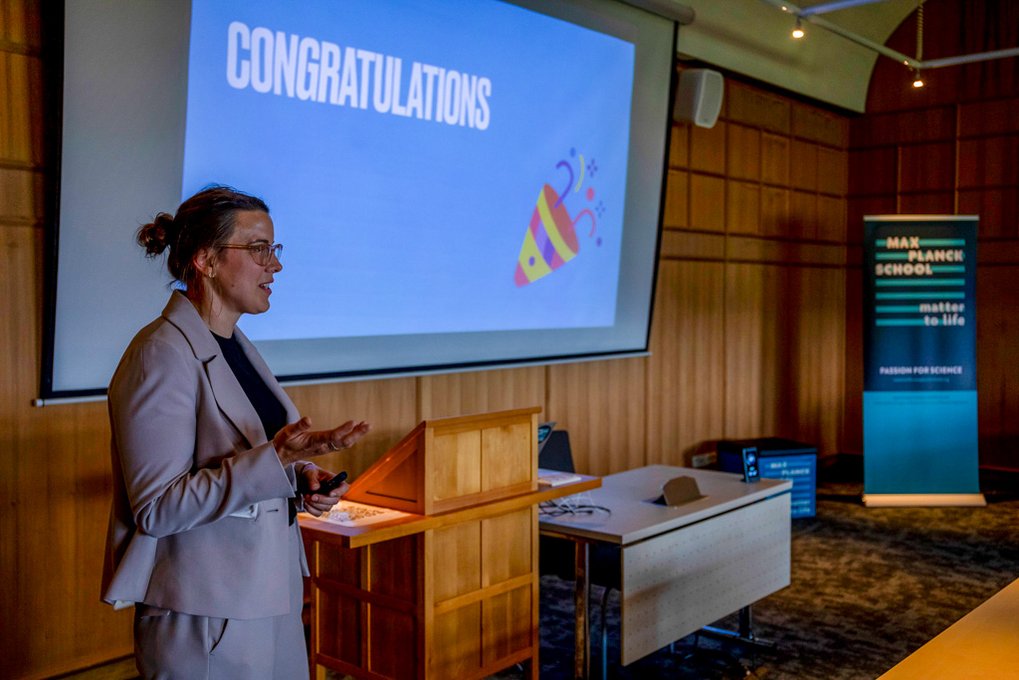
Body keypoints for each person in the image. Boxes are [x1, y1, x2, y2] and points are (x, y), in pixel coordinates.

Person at [100, 186, 370, 679]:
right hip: (204, 610)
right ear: (206, 260)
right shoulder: (160, 353)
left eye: (275, 249)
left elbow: (253, 455)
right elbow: (159, 507)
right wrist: (276, 460)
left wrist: (303, 473)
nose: (275, 266)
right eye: (259, 249)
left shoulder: (235, 345)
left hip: (270, 591)